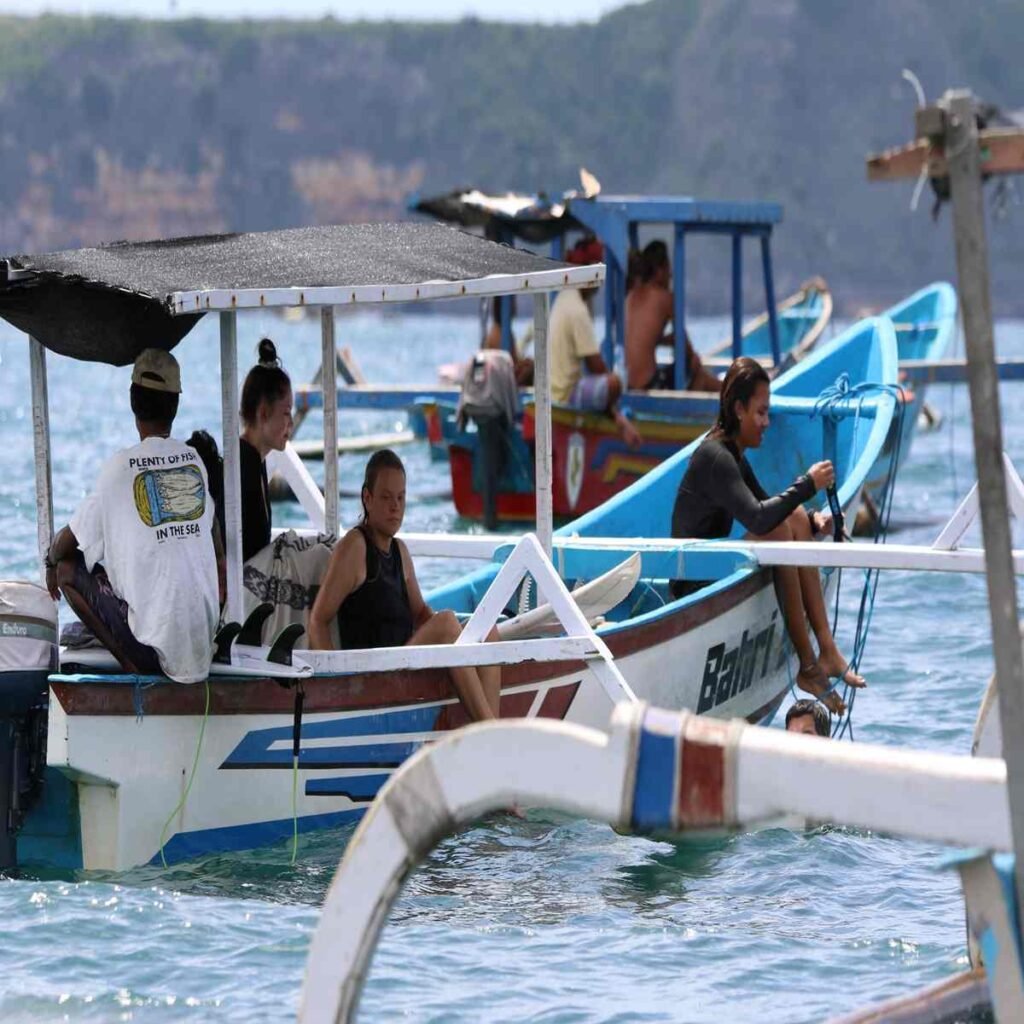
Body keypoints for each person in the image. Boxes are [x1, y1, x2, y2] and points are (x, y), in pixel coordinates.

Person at [670, 356, 865, 713]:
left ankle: (826, 650)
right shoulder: (716, 457)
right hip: (693, 582)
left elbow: (767, 505)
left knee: (792, 517)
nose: (766, 422)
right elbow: (760, 520)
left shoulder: (732, 456)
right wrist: (808, 484)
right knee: (778, 525)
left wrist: (811, 519)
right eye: (761, 413)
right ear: (739, 409)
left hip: (714, 567)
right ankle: (808, 666)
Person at [45, 349, 222, 682]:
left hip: (154, 656)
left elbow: (64, 546)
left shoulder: (119, 469)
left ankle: (134, 672)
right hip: (202, 647)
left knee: (68, 569)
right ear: (176, 405)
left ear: (132, 401)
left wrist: (49, 561)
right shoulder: (195, 461)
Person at [309, 449, 501, 722]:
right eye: (386, 497)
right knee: (446, 624)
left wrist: (463, 636)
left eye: (401, 498)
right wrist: (334, 685)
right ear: (367, 498)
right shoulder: (354, 547)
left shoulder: (400, 552)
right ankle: (491, 730)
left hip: (404, 662)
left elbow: (422, 614)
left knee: (487, 629)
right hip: (374, 677)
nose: (395, 506)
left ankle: (488, 733)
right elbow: (318, 620)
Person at [549, 237, 641, 448]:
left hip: (556, 389)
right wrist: (615, 403)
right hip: (566, 394)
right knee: (614, 383)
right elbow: (595, 364)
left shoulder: (564, 298)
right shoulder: (577, 309)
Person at [625, 240, 720, 393]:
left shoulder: (630, 296)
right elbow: (685, 347)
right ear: (659, 270)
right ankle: (729, 394)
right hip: (648, 385)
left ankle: (727, 391)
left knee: (694, 369)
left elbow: (644, 338)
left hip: (626, 384)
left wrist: (663, 340)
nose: (670, 276)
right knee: (695, 366)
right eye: (668, 269)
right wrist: (688, 354)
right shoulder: (664, 297)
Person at [238, 338, 294, 561]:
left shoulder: (254, 459)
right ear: (263, 413)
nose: (291, 423)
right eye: (286, 412)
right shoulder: (242, 466)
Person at [483, 296, 534, 386]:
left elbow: (512, 364)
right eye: (513, 303)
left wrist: (522, 365)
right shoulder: (498, 335)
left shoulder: (503, 331)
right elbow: (505, 373)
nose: (515, 307)